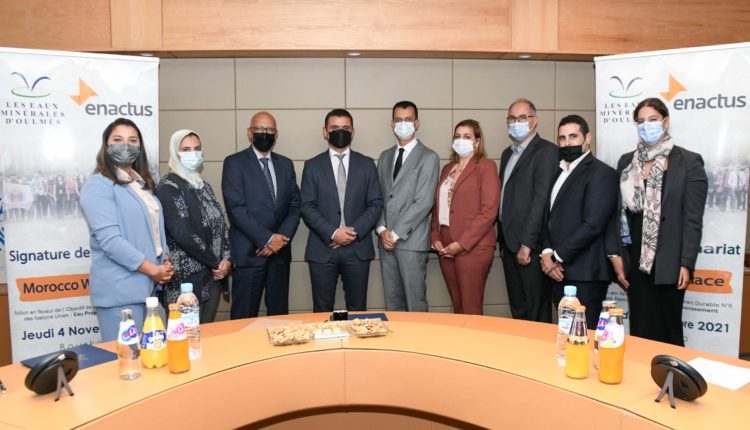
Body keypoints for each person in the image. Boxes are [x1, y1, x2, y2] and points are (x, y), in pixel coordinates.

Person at [608, 97, 707, 346]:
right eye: (641, 121)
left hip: (669, 262)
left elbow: (693, 219)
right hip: (636, 261)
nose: (646, 126)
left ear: (665, 122)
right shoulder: (627, 162)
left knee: (668, 329)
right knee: (641, 328)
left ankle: (673, 371)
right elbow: (617, 215)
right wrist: (617, 255)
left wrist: (686, 263)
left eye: (652, 119)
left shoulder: (688, 161)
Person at [80, 117, 173, 341]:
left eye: (132, 140)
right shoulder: (98, 185)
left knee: (155, 357)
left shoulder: (141, 184)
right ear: (106, 145)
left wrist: (165, 262)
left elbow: (154, 231)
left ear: (139, 147)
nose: (125, 145)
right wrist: (153, 269)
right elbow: (111, 241)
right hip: (120, 293)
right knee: (127, 360)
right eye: (118, 139)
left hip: (148, 289)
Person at [300, 109, 383, 312]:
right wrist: (333, 232)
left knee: (357, 310)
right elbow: (307, 206)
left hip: (358, 248)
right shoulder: (312, 166)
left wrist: (351, 233)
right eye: (335, 128)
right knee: (322, 311)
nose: (340, 132)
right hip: (322, 248)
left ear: (353, 132)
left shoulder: (367, 164)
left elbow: (375, 203)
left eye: (345, 128)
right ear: (325, 131)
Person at [540, 115, 618, 328]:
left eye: (573, 136)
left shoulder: (602, 173)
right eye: (562, 138)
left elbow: (593, 224)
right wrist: (546, 252)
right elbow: (547, 216)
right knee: (565, 334)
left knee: (583, 335)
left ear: (587, 138)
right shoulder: (557, 172)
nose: (567, 143)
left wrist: (557, 257)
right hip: (557, 272)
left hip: (586, 273)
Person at [222, 112, 301, 319]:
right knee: (244, 319)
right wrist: (267, 239)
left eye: (270, 130)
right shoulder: (234, 163)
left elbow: (295, 206)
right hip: (249, 253)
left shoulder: (286, 164)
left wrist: (279, 240)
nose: (264, 133)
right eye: (259, 129)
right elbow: (236, 209)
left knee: (279, 319)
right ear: (250, 132)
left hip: (279, 255)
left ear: (276, 134)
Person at [157, 129, 231, 323]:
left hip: (212, 278)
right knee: (185, 337)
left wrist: (227, 260)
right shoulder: (169, 187)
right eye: (186, 149)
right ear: (175, 152)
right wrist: (216, 262)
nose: (193, 154)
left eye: (197, 149)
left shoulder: (203, 186)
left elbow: (221, 225)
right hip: (185, 282)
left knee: (206, 335)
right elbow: (183, 233)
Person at [497, 98, 559, 323]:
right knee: (518, 308)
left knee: (536, 311)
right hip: (509, 244)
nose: (516, 122)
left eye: (522, 117)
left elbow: (540, 201)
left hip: (530, 246)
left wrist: (527, 243)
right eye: (512, 118)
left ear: (534, 121)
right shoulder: (507, 153)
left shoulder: (547, 151)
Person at [430, 119, 500, 315]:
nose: (461, 140)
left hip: (473, 246)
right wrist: (435, 236)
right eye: (457, 136)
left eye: (467, 137)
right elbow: (437, 207)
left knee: (471, 307)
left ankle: (474, 338)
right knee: (458, 305)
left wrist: (461, 244)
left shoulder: (486, 167)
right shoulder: (447, 169)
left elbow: (488, 211)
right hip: (445, 245)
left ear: (477, 142)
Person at [376, 101, 439, 312]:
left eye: (408, 120)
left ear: (417, 123)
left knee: (415, 304)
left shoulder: (428, 157)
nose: (403, 124)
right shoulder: (385, 157)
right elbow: (378, 197)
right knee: (392, 303)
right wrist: (382, 230)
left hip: (411, 242)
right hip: (385, 242)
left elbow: (424, 202)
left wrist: (394, 234)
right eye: (398, 120)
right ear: (392, 124)